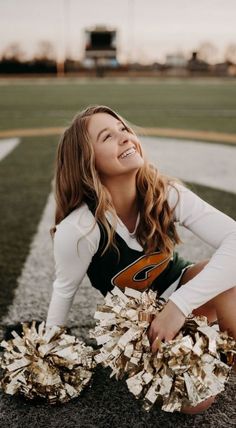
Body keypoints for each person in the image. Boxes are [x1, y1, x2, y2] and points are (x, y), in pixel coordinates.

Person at [46, 105, 236, 414]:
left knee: (229, 279)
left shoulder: (165, 193)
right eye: (108, 136)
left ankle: (216, 346)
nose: (125, 137)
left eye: (124, 129)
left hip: (184, 292)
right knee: (194, 402)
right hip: (138, 324)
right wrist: (47, 356)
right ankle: (203, 343)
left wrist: (180, 305)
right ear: (86, 162)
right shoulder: (80, 229)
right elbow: (63, 291)